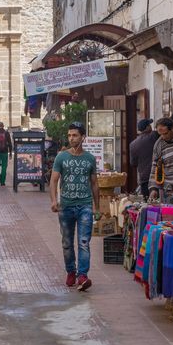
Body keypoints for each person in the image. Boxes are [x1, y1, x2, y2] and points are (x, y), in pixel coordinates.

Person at [50, 122, 98, 292]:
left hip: (84, 205)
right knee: (67, 243)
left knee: (84, 242)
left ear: (82, 137)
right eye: (69, 135)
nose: (71, 138)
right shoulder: (61, 157)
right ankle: (71, 270)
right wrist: (54, 200)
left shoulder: (90, 158)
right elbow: (54, 180)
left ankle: (82, 275)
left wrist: (96, 207)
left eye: (75, 135)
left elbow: (94, 184)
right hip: (66, 207)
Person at [129, 104, 173, 198]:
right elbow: (170, 122)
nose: (151, 126)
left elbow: (133, 163)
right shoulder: (154, 135)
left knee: (148, 205)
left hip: (144, 179)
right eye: (149, 124)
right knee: (161, 203)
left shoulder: (133, 144)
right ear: (147, 127)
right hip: (157, 177)